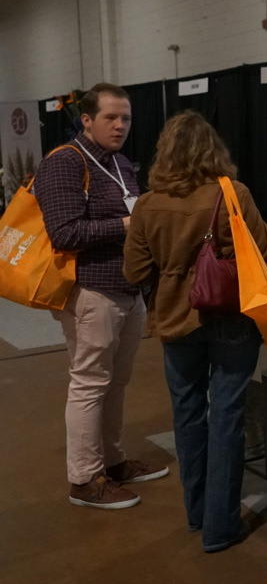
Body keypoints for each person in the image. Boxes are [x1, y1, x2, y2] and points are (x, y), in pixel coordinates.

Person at [123, 110, 267, 552]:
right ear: (212, 150)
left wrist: (172, 268)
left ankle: (196, 513)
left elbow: (134, 273)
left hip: (175, 321)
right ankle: (220, 526)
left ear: (164, 152)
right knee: (226, 416)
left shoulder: (147, 205)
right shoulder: (231, 193)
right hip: (230, 318)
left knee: (187, 415)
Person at [34, 82, 167, 510]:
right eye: (110, 117)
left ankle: (112, 462)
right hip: (91, 291)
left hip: (129, 289)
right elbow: (64, 233)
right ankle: (84, 480)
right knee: (90, 384)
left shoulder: (121, 163)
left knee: (117, 383)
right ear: (87, 119)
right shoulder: (64, 162)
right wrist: (126, 225)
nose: (120, 125)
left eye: (126, 118)